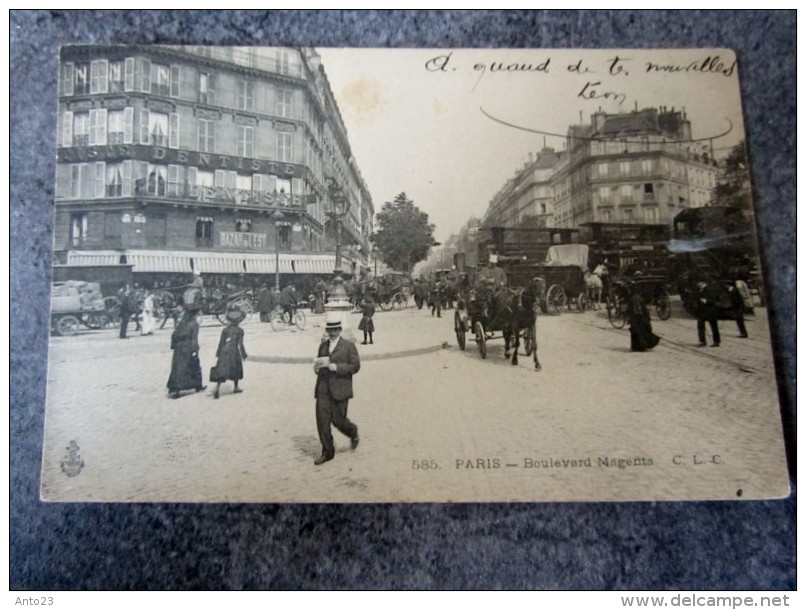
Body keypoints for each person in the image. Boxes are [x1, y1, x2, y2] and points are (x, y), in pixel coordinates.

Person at [312, 313, 360, 465]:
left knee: (338, 420)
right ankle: (327, 451)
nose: (331, 333)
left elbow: (355, 366)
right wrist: (317, 368)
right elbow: (319, 363)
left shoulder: (348, 346)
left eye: (334, 330)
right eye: (329, 330)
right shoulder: (323, 346)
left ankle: (352, 431)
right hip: (323, 388)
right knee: (322, 421)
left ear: (339, 330)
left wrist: (337, 367)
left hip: (340, 388)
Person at [167, 292, 206, 398]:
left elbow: (174, 335)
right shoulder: (194, 324)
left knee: (178, 367)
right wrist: (195, 350)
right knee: (194, 365)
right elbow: (194, 338)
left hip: (179, 349)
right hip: (188, 348)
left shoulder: (182, 323)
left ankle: (175, 388)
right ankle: (197, 385)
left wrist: (174, 346)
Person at [210, 307, 248, 399]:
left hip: (224, 351)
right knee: (236, 368)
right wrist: (243, 354)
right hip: (234, 351)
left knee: (222, 370)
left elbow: (221, 342)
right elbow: (240, 344)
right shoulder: (240, 331)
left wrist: (218, 353)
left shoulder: (225, 330)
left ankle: (217, 387)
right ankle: (235, 387)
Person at [626, 284, 660, 352]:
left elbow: (637, 310)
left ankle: (638, 346)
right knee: (641, 332)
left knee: (638, 332)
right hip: (640, 317)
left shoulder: (634, 298)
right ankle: (641, 346)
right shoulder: (637, 297)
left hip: (638, 318)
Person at [696, 280, 722, 347]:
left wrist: (706, 301)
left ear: (703, 282)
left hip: (710, 311)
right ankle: (702, 341)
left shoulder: (710, 289)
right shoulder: (699, 290)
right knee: (700, 326)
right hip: (702, 311)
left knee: (713, 326)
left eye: (698, 282)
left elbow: (715, 300)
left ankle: (716, 342)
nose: (697, 284)